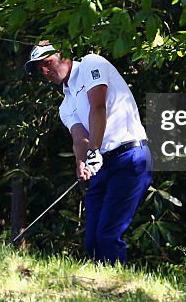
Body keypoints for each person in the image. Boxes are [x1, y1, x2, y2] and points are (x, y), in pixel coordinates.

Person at [24, 42, 152, 264]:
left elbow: (98, 106)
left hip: (131, 156)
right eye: (39, 69)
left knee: (108, 236)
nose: (45, 71)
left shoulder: (91, 64)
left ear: (62, 55)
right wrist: (81, 162)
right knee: (92, 240)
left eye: (47, 63)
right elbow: (79, 137)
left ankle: (117, 291)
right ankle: (97, 291)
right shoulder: (65, 105)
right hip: (103, 163)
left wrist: (93, 150)